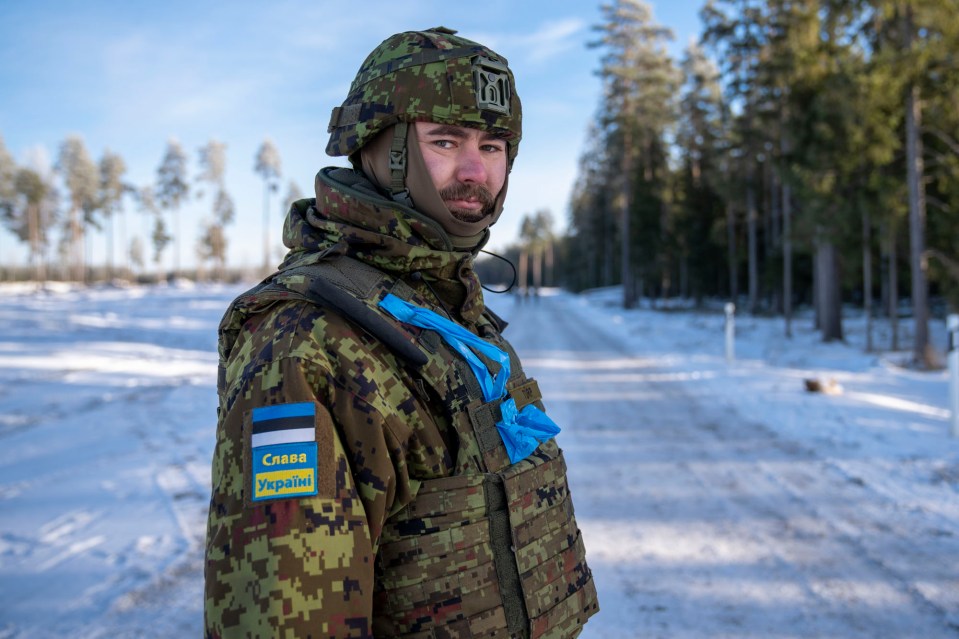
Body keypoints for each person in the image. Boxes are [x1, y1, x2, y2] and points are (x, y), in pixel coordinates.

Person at [204, 27, 599, 638]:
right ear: (381, 149)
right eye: (445, 141)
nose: (476, 171)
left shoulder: (441, 302)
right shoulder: (304, 339)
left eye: (494, 147)